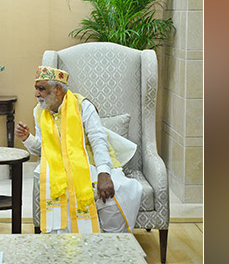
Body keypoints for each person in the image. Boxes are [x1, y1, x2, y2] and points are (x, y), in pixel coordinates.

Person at [15, 66, 142, 234]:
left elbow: (98, 140)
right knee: (62, 193)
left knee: (113, 195)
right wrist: (27, 139)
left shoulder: (83, 106)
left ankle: (112, 245)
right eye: (36, 89)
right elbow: (43, 149)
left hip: (92, 162)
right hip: (59, 167)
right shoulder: (39, 111)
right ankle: (69, 250)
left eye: (41, 89)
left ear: (58, 89)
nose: (36, 94)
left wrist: (104, 173)